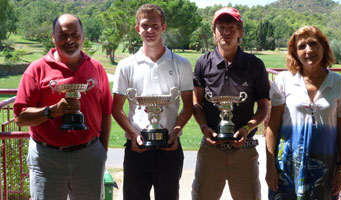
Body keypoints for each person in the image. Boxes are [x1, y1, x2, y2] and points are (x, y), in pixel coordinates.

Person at [14, 14, 112, 199]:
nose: (70, 40)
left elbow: (106, 113)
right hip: (47, 160)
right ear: (53, 37)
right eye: (63, 35)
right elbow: (20, 117)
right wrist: (53, 111)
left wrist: (102, 151)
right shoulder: (37, 69)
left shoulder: (97, 69)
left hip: (89, 157)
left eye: (75, 35)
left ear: (83, 36)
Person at [111, 4, 193, 200]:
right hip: (136, 148)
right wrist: (132, 135)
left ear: (163, 27)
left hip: (170, 147)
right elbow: (116, 109)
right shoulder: (126, 65)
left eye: (155, 25)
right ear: (137, 28)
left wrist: (175, 131)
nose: (150, 30)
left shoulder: (181, 63)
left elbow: (188, 106)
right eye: (145, 25)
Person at [265, 26, 341, 199]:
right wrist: (270, 167)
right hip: (286, 166)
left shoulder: (339, 83)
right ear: (295, 52)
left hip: (324, 168)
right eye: (302, 46)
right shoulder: (284, 80)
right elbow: (272, 126)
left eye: (313, 44)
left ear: (324, 47)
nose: (308, 50)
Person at [192, 7, 270, 200]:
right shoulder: (203, 63)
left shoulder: (255, 64)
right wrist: (203, 127)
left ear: (240, 32)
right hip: (211, 150)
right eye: (221, 27)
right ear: (214, 31)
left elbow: (263, 106)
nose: (226, 32)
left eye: (231, 27)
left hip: (245, 151)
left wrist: (247, 127)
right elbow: (197, 102)